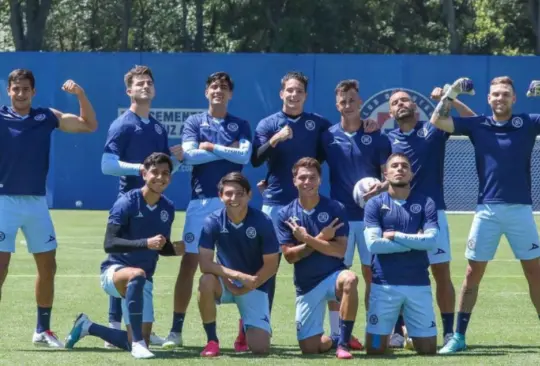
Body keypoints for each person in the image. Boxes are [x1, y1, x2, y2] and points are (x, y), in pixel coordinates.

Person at [251, 72, 371, 350]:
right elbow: (256, 159)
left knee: (330, 268)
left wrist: (365, 125)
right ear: (281, 93)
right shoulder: (268, 124)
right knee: (267, 267)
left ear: (305, 95)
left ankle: (339, 331)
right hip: (276, 204)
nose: (294, 95)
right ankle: (255, 326)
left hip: (312, 205)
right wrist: (274, 141)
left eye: (299, 92)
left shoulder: (318, 124)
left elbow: (342, 138)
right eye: (289, 91)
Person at [431, 77, 540, 354]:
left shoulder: (527, 122)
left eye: (505, 94)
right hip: (487, 210)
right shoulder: (478, 125)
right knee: (472, 273)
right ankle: (459, 336)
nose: (500, 98)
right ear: (488, 99)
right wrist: (452, 93)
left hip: (521, 210)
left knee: (535, 273)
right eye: (495, 94)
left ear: (514, 99)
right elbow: (438, 121)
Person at [0, 68, 98, 347]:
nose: (20, 94)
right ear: (9, 91)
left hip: (35, 203)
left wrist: (80, 94)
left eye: (25, 89)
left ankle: (42, 330)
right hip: (3, 203)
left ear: (33, 92)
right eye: (15, 89)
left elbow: (89, 125)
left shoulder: (46, 117)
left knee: (48, 265)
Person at [163, 72, 252, 349]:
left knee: (240, 264)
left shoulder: (240, 124)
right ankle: (176, 331)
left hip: (234, 203)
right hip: (201, 202)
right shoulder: (194, 122)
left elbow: (245, 156)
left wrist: (211, 146)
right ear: (206, 92)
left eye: (224, 88)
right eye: (214, 87)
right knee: (190, 264)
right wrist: (228, 150)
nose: (219, 91)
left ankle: (244, 331)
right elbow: (189, 155)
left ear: (231, 94)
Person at [64, 153, 184, 359]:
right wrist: (146, 243)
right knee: (136, 275)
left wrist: (173, 249)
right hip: (114, 273)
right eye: (155, 172)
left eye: (165, 173)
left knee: (141, 338)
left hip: (143, 279)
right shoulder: (127, 202)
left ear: (170, 178)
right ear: (144, 174)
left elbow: (160, 246)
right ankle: (137, 343)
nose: (160, 177)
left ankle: (88, 326)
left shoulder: (168, 207)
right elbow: (109, 244)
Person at [384, 87, 475, 347]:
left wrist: (451, 99)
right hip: (398, 213)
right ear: (390, 111)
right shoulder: (386, 138)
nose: (400, 104)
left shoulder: (434, 128)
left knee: (441, 272)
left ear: (415, 105)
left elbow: (472, 123)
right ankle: (399, 332)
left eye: (404, 100)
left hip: (433, 212)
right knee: (399, 272)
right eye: (394, 102)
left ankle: (448, 332)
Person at [101, 65, 184, 347]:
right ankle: (114, 325)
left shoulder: (158, 127)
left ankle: (135, 324)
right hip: (130, 201)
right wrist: (141, 168)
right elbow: (107, 164)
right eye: (139, 84)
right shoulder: (122, 124)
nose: (145, 87)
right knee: (123, 261)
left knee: (148, 259)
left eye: (149, 82)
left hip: (154, 202)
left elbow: (163, 166)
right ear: (129, 91)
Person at [320, 79, 391, 318]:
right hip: (341, 218)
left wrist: (380, 187)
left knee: (374, 274)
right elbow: (307, 166)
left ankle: (376, 327)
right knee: (338, 274)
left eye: (352, 100)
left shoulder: (377, 135)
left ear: (360, 102)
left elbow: (388, 175)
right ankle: (338, 332)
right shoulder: (327, 137)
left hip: (372, 217)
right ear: (336, 104)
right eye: (343, 101)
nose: (348, 105)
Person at [276, 157, 359, 360]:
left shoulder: (335, 208)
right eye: (302, 177)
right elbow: (289, 257)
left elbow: (339, 251)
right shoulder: (285, 214)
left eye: (312, 177)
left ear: (320, 180)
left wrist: (305, 240)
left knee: (350, 279)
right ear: (294, 180)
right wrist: (319, 239)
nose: (307, 182)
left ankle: (343, 342)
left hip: (333, 276)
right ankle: (331, 341)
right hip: (307, 285)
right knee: (310, 349)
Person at [197, 172, 280, 357]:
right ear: (220, 196)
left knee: (260, 348)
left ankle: (246, 325)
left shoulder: (262, 221)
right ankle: (212, 341)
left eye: (239, 193)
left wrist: (247, 285)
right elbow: (204, 264)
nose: (234, 198)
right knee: (205, 281)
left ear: (249, 195)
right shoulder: (212, 221)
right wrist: (234, 278)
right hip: (226, 283)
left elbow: (272, 265)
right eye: (228, 193)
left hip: (254, 284)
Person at [363, 153, 438, 355]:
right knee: (375, 349)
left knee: (428, 349)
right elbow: (374, 245)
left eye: (404, 166)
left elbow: (431, 241)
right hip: (384, 286)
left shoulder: (426, 203)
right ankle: (397, 332)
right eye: (394, 166)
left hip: (418, 285)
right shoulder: (375, 204)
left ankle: (408, 335)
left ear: (411, 174)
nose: (399, 169)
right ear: (385, 173)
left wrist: (395, 235)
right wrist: (415, 242)